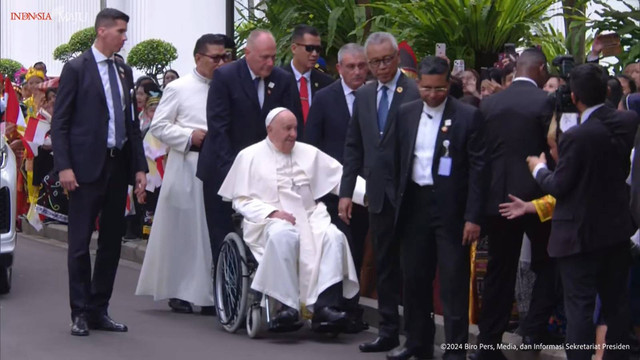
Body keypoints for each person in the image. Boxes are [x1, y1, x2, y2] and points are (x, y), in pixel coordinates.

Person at [526, 63, 639, 360]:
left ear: (573, 97)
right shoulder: (627, 122)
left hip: (578, 237)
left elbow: (560, 185)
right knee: (616, 307)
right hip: (614, 233)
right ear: (607, 91)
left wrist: (538, 169)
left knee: (580, 310)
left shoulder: (577, 137)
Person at [218, 107, 364, 332]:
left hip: (310, 216)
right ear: (270, 129)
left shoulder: (308, 153)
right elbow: (240, 201)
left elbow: (341, 178)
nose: (293, 134)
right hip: (268, 221)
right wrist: (271, 213)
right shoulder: (249, 156)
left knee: (334, 237)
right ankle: (287, 307)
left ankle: (325, 307)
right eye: (287, 129)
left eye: (295, 128)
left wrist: (372, 196)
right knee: (283, 235)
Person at [51, 8, 147, 336]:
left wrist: (139, 169)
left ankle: (98, 308)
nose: (124, 37)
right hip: (84, 168)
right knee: (79, 243)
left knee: (111, 242)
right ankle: (78, 311)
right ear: (102, 31)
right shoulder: (76, 68)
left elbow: (132, 123)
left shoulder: (124, 70)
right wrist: (64, 165)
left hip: (117, 165)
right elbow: (60, 121)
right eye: (120, 31)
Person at [392, 56, 486, 360]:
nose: (432, 94)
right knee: (415, 280)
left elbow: (478, 171)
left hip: (451, 210)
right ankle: (417, 343)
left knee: (453, 283)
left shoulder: (468, 116)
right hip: (415, 206)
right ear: (418, 83)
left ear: (449, 84)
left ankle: (456, 350)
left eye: (440, 88)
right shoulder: (405, 114)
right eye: (426, 88)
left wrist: (473, 216)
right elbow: (395, 161)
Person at [136, 34, 234, 315]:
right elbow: (160, 126)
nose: (220, 63)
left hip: (221, 166)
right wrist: (189, 135)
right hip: (188, 163)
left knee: (211, 231)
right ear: (197, 58)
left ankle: (214, 292)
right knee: (187, 233)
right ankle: (182, 290)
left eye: (224, 57)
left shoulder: (228, 86)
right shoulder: (179, 88)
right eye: (214, 58)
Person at [339, 32, 420, 353]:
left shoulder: (415, 91)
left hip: (411, 195)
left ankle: (414, 335)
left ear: (397, 58)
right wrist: (346, 192)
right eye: (375, 62)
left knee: (412, 268)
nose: (382, 67)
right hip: (378, 194)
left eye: (387, 59)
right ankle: (387, 330)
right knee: (384, 264)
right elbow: (353, 147)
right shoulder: (364, 96)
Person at [475, 48, 556, 359]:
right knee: (547, 266)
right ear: (540, 69)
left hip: (499, 198)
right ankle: (533, 332)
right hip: (537, 197)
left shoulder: (490, 103)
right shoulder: (546, 102)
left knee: (499, 269)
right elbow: (552, 149)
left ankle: (488, 343)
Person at [196, 29, 301, 265]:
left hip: (267, 171)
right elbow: (219, 128)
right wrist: (234, 175)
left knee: (265, 233)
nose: (270, 62)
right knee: (223, 236)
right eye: (264, 57)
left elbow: (292, 126)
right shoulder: (225, 76)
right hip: (223, 169)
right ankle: (225, 292)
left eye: (273, 57)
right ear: (247, 53)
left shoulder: (282, 79)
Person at [304, 43, 369, 277]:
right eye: (351, 66)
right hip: (333, 186)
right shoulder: (324, 98)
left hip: (366, 186)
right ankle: (334, 300)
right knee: (338, 243)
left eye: (362, 66)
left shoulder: (373, 96)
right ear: (340, 68)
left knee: (359, 246)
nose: (357, 72)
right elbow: (311, 143)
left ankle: (352, 302)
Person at [282, 24, 334, 124]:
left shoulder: (327, 83)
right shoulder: (279, 80)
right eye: (309, 48)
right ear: (294, 48)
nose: (314, 54)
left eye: (318, 49)